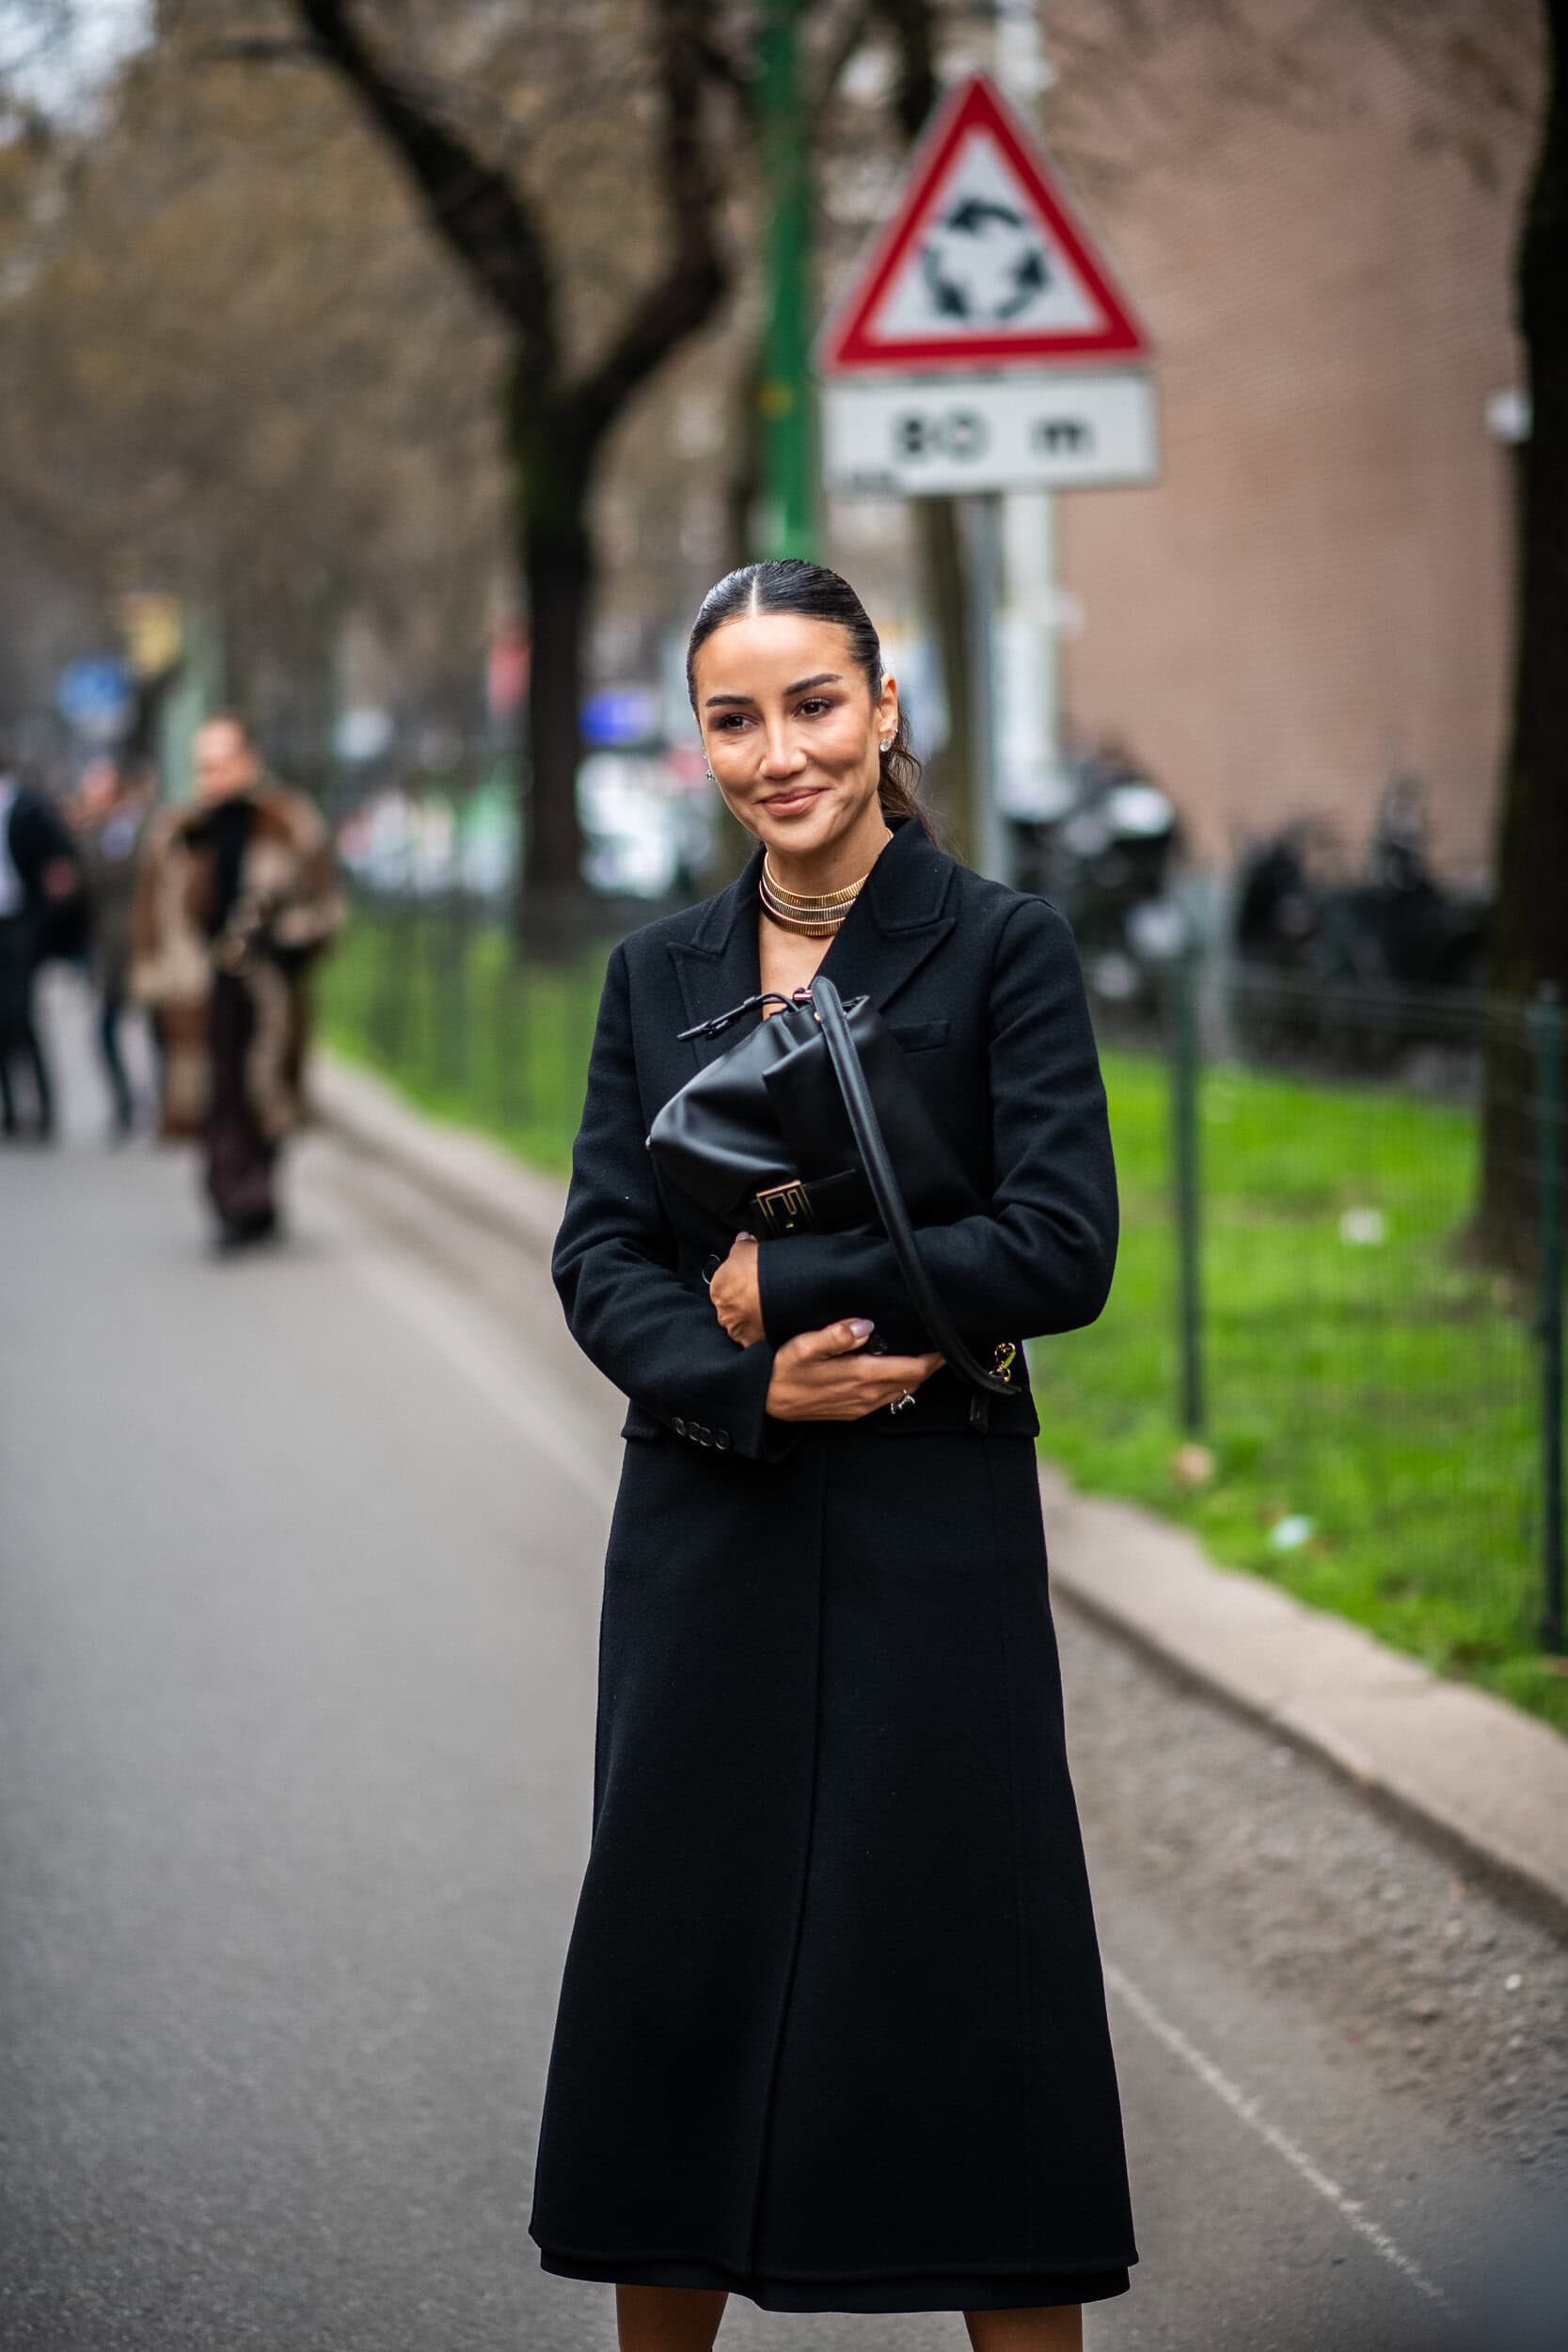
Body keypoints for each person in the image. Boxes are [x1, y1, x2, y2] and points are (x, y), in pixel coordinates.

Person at [531, 561, 1135, 2351]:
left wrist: (797, 1286)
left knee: (968, 1969)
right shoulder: (662, 971)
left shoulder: (1001, 945)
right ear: (701, 742)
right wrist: (735, 1386)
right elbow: (598, 1252)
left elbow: (1061, 1244)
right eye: (734, 717)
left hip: (930, 1525)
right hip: (705, 1522)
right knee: (681, 1962)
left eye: (811, 705)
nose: (776, 752)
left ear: (883, 710)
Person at [130, 714, 343, 1248]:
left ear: (248, 760)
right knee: (214, 1100)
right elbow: (151, 919)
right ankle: (231, 1204)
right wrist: (157, 983)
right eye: (204, 764)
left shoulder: (287, 822)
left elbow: (324, 907)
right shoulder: (178, 831)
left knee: (265, 1098)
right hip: (199, 988)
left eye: (222, 762)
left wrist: (287, 940)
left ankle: (261, 1196)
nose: (212, 775)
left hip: (267, 987)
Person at [0, 747, 83, 1142]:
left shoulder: (28, 807)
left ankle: (44, 1107)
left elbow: (62, 861)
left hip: (20, 923)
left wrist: (43, 919)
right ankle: (11, 1112)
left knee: (20, 1015)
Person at [76, 756, 157, 1139]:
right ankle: (124, 1105)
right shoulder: (87, 837)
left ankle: (161, 1106)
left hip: (146, 945)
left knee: (160, 1031)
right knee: (105, 1031)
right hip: (108, 952)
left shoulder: (147, 830)